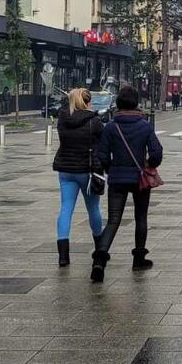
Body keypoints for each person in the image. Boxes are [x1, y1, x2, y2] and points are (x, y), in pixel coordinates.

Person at [91, 85, 163, 283]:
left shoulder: (111, 127)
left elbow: (102, 155)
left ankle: (99, 261)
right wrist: (149, 165)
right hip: (140, 178)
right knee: (141, 217)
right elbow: (156, 152)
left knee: (113, 220)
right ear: (136, 103)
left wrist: (110, 169)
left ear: (119, 103)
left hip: (117, 178)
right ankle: (139, 259)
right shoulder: (144, 126)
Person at [51, 88, 105, 267]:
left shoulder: (63, 119)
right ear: (87, 102)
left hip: (66, 170)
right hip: (87, 171)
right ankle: (100, 247)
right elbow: (102, 142)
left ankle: (63, 256)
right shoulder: (94, 121)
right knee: (93, 209)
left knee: (66, 208)